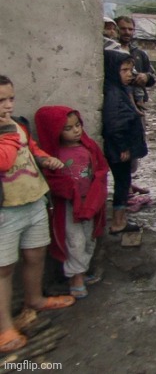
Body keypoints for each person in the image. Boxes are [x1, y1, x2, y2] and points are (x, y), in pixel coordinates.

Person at [0, 75, 75, 354]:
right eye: (1, 101)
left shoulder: (18, 125)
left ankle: (34, 300)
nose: (8, 105)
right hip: (6, 210)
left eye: (11, 98)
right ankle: (4, 327)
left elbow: (31, 149)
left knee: (35, 254)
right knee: (3, 269)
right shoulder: (10, 128)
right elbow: (5, 161)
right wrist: (8, 131)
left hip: (32, 200)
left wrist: (45, 159)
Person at [34, 106, 108, 299]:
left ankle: (81, 271)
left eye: (77, 125)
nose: (76, 131)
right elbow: (53, 180)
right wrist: (69, 190)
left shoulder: (89, 147)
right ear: (55, 131)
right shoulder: (53, 156)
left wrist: (96, 193)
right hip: (68, 205)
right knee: (75, 241)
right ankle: (76, 278)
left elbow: (100, 169)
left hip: (89, 202)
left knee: (89, 237)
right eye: (68, 128)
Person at [102, 50, 147, 235]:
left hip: (120, 147)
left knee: (123, 181)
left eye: (131, 70)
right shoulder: (114, 94)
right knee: (122, 183)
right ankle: (118, 222)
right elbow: (113, 125)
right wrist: (123, 148)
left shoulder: (120, 90)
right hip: (118, 148)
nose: (129, 74)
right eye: (124, 70)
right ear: (113, 71)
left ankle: (120, 219)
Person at [115, 16, 154, 196]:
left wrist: (146, 77)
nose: (127, 32)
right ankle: (123, 189)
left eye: (130, 29)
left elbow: (153, 76)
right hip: (119, 104)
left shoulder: (139, 54)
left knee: (135, 143)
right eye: (123, 29)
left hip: (137, 106)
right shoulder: (111, 51)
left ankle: (128, 184)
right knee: (120, 146)